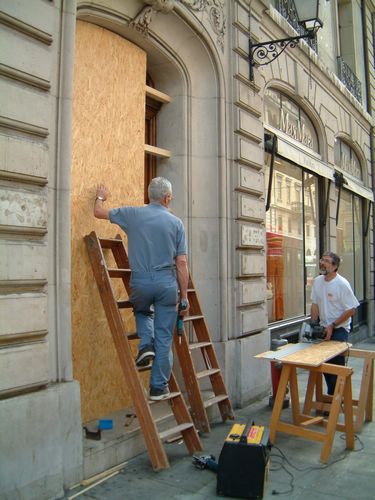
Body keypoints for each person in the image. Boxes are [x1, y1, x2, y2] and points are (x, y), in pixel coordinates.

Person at [93, 177, 190, 401]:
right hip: (166, 284)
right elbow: (182, 263)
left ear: (149, 196)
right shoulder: (176, 223)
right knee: (165, 337)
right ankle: (158, 388)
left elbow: (99, 212)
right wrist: (184, 296)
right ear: (167, 198)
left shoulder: (132, 214)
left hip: (141, 281)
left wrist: (100, 197)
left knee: (143, 311)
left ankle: (146, 343)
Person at [310, 251, 359, 395]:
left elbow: (351, 310)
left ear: (334, 266)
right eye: (322, 260)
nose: (322, 263)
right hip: (324, 328)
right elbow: (314, 304)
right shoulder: (318, 281)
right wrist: (313, 324)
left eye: (326, 261)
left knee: (336, 366)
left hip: (339, 329)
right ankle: (333, 398)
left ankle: (334, 401)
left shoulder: (342, 284)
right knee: (324, 365)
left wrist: (333, 325)